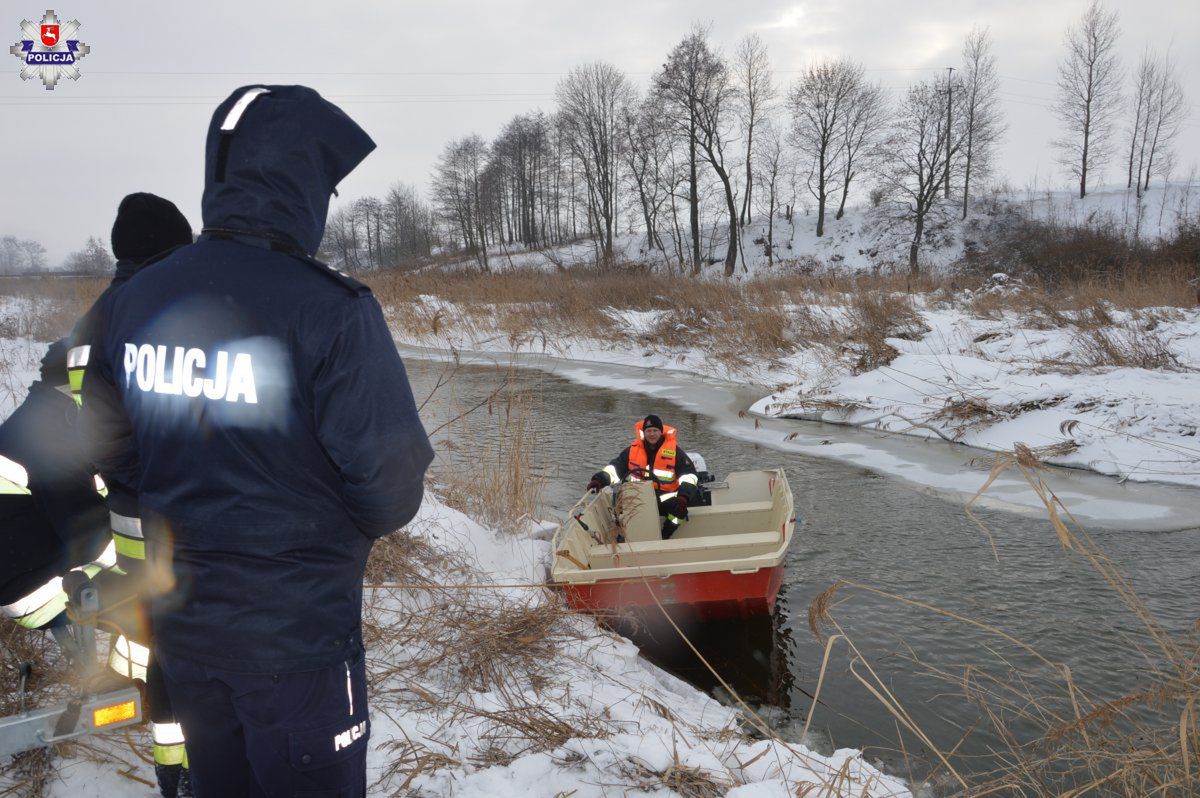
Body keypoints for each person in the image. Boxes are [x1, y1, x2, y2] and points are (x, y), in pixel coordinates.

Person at [80, 85, 434, 798]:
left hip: (185, 632)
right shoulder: (331, 310)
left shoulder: (135, 300)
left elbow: (108, 444)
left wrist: (181, 497)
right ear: (304, 186)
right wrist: (323, 528)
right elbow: (391, 488)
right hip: (296, 643)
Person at [66, 192, 196, 798]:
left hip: (132, 511)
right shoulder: (146, 311)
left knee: (152, 627)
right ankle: (181, 770)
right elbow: (115, 436)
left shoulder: (98, 315)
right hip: (159, 510)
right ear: (167, 251)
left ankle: (171, 754)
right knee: (178, 635)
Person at [587, 414, 700, 539]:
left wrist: (683, 497)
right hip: (636, 498)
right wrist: (599, 480)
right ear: (644, 433)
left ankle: (664, 536)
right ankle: (623, 538)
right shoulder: (631, 451)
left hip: (662, 499)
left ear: (661, 432)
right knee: (617, 511)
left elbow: (689, 475)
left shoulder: (675, 453)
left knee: (680, 511)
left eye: (655, 430)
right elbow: (614, 469)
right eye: (649, 431)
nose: (652, 434)